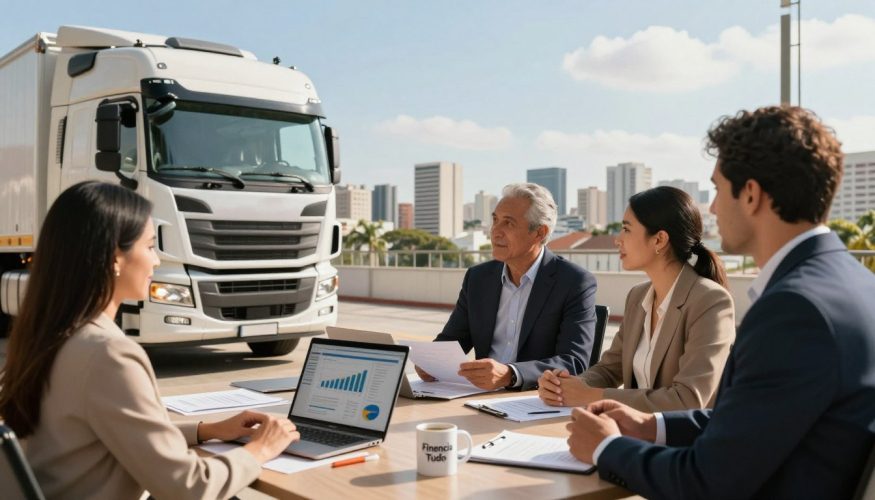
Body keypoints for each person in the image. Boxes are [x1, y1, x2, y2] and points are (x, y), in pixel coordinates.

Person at [566, 106, 875, 499]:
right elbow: (757, 421)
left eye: (716, 189)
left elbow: (707, 483)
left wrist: (606, 447)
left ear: (750, 194)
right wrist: (653, 427)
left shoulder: (794, 309)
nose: (711, 209)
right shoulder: (856, 285)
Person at [0, 182, 299, 499]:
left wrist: (204, 431)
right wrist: (260, 449)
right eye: (150, 246)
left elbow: (99, 433)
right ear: (115, 258)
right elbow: (186, 487)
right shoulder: (108, 354)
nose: (156, 262)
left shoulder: (48, 337)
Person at [538, 186, 735, 412]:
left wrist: (593, 395)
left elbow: (688, 399)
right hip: (634, 432)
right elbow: (610, 369)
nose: (617, 240)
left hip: (683, 442)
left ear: (659, 240)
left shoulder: (710, 300)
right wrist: (565, 385)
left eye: (626, 229)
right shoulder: (638, 296)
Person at [414, 183, 597, 391]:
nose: (495, 232)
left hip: (534, 401)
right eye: (495, 220)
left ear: (539, 233)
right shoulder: (478, 278)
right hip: (478, 396)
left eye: (508, 223)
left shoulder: (573, 282)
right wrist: (430, 362)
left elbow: (573, 362)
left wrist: (511, 374)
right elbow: (452, 340)